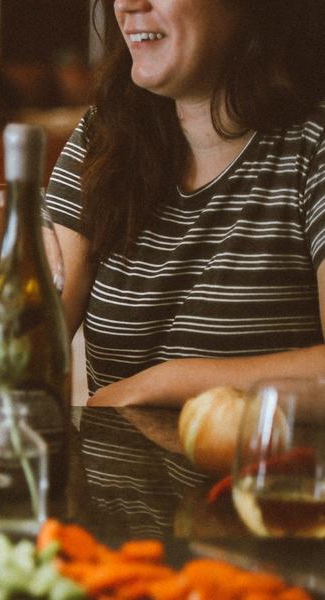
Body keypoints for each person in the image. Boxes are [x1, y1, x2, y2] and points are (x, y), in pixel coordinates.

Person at [41, 0, 325, 409]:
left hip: (264, 474)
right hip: (117, 475)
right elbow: (35, 332)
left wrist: (165, 384)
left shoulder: (313, 144)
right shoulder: (102, 136)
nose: (127, 5)